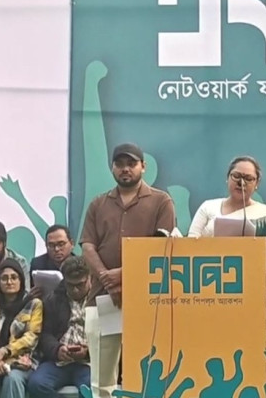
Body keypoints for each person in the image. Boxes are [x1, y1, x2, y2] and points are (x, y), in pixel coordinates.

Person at [188, 156, 266, 380]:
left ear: (257, 183)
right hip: (213, 292)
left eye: (248, 178)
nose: (241, 182)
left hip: (254, 297)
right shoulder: (208, 207)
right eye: (236, 176)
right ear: (227, 178)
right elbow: (191, 245)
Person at [80, 143, 175, 385]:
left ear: (143, 167)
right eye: (120, 164)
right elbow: (88, 246)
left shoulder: (161, 201)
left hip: (148, 298)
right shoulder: (98, 204)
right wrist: (106, 278)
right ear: (112, 168)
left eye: (131, 164)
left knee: (149, 377)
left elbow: (162, 246)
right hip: (103, 298)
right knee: (102, 380)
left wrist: (124, 275)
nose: (125, 169)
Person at [0, 258, 43, 398]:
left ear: (21, 281)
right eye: (4, 278)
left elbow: (31, 337)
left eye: (14, 277)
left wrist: (4, 352)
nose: (9, 282)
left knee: (12, 378)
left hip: (22, 361)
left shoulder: (34, 304)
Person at [27, 256, 92, 397]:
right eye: (70, 285)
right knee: (36, 384)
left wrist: (88, 351)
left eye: (80, 285)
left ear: (89, 278)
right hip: (58, 362)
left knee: (91, 387)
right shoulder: (53, 299)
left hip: (89, 363)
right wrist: (57, 350)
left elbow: (108, 337)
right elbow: (44, 334)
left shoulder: (99, 299)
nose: (75, 290)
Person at [29, 225, 75, 297]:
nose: (56, 249)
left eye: (61, 244)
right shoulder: (38, 264)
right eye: (51, 245)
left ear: (72, 244)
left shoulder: (80, 265)